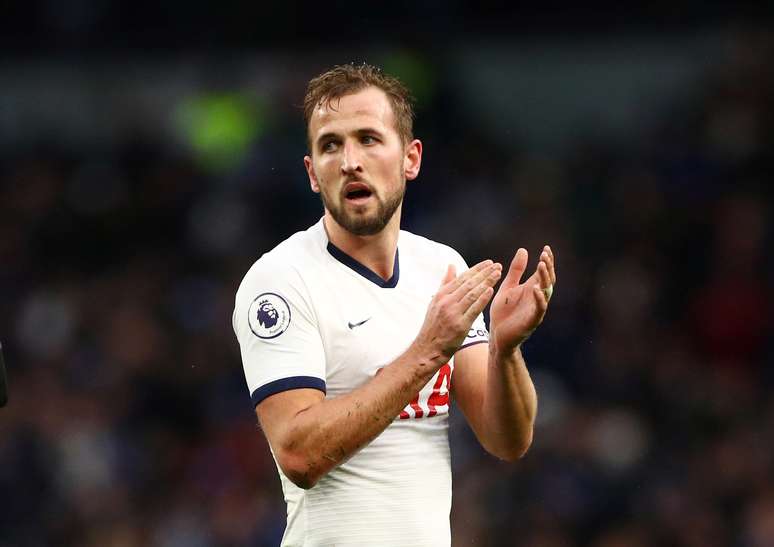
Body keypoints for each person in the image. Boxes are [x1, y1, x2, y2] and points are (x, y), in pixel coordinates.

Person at [233, 63, 556, 547]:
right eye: (330, 145)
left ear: (411, 158)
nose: (349, 161)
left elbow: (507, 441)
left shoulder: (439, 267)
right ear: (312, 174)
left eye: (368, 138)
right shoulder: (280, 281)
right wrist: (427, 350)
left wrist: (505, 352)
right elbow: (298, 456)